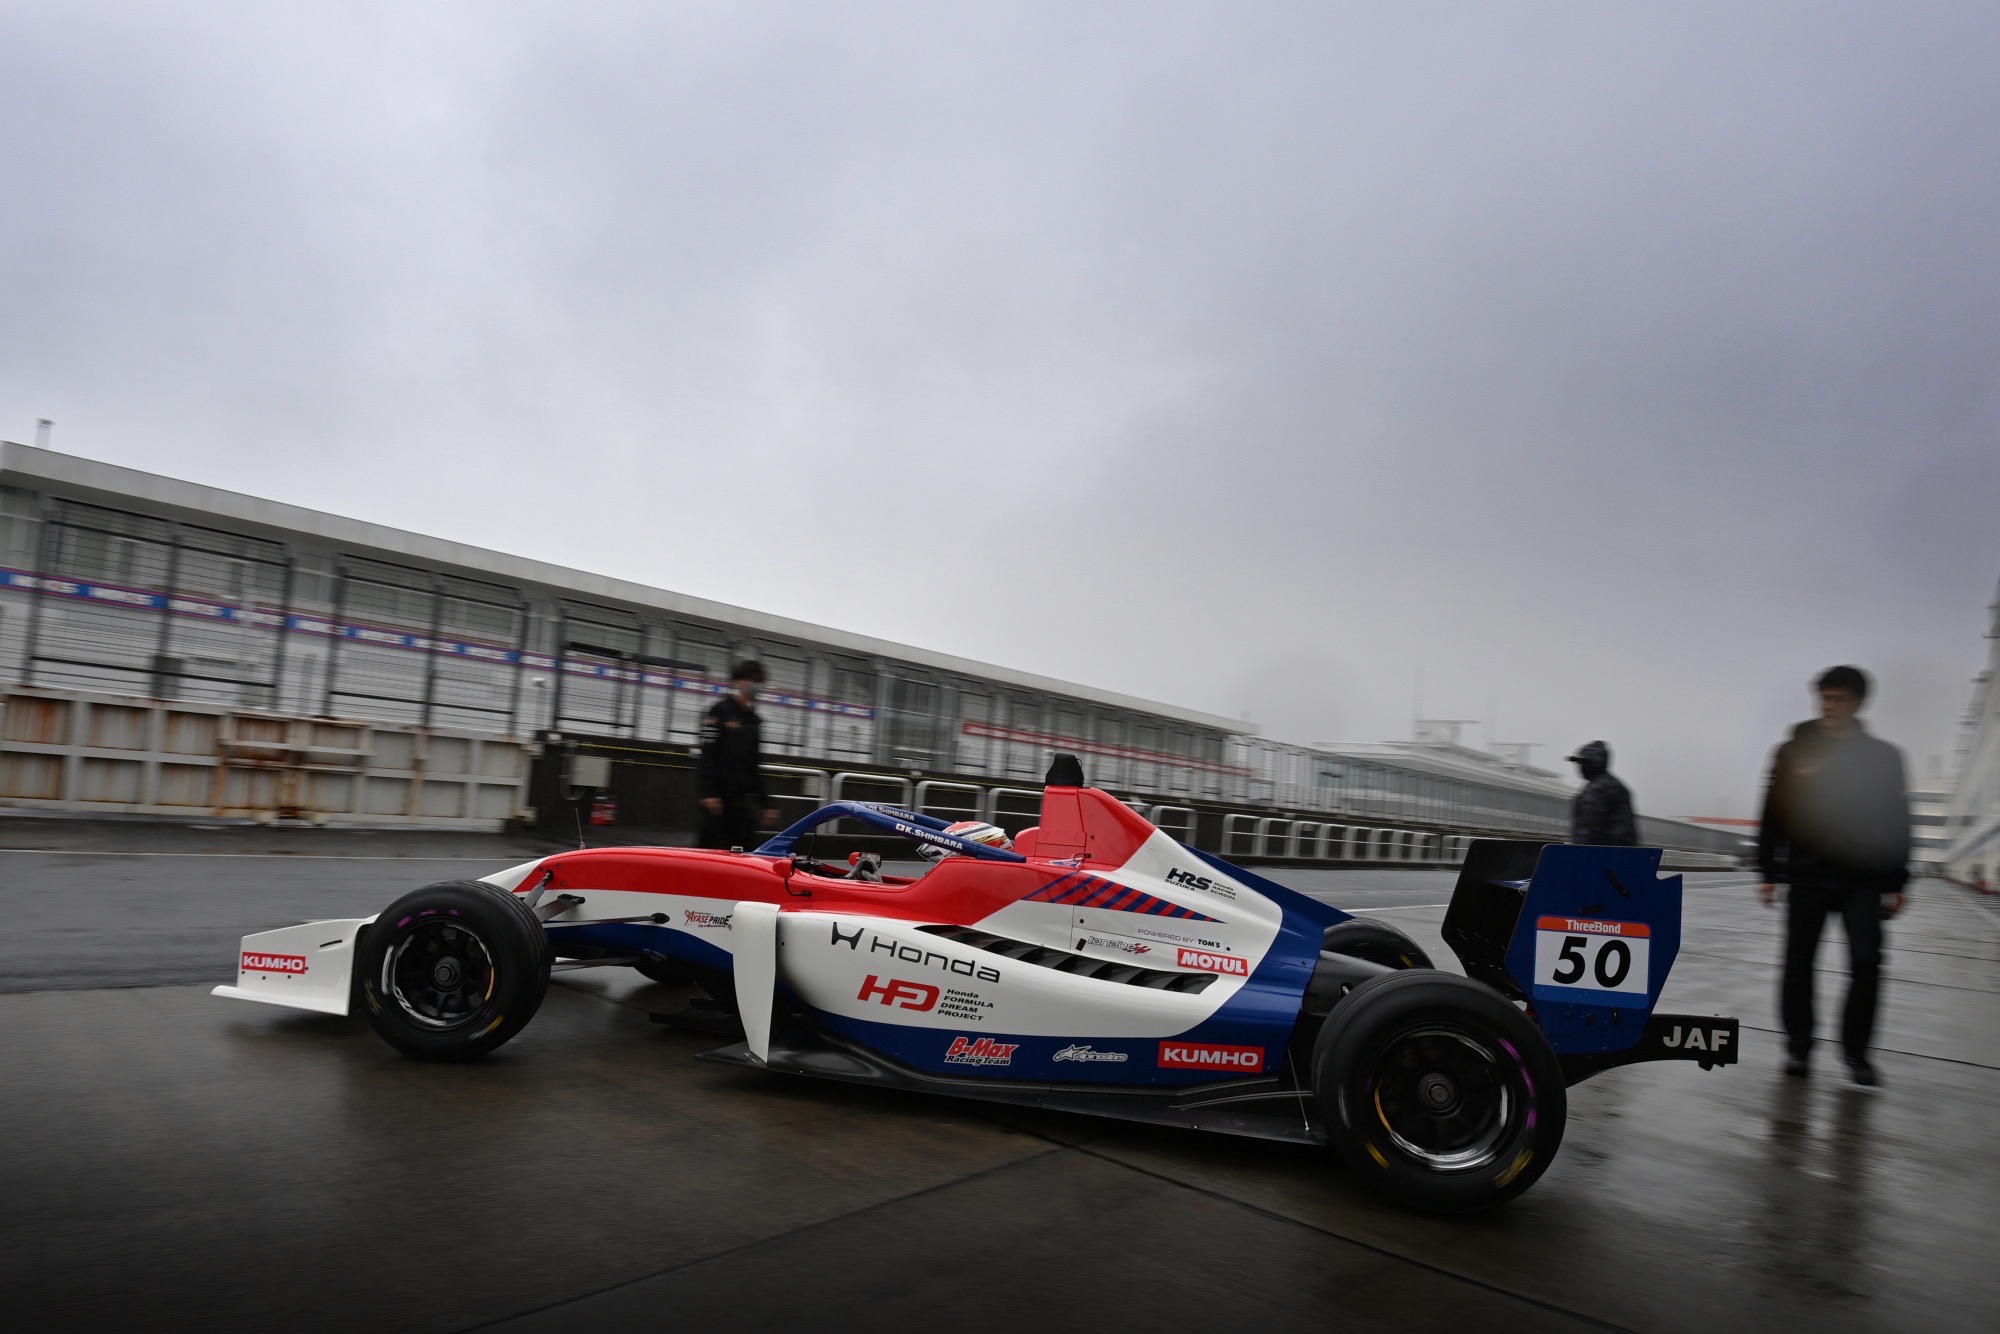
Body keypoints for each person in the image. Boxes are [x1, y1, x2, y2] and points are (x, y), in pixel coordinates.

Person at [1757, 665, 1910, 1086]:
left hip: (1863, 880)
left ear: (1858, 703)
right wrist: (1767, 870)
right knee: (1798, 966)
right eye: (1824, 697)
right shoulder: (1794, 750)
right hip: (1807, 876)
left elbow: (1897, 818)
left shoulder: (1883, 757)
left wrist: (1898, 881)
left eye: (1838, 699)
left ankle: (1856, 1055)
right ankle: (1799, 1049)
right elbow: (1774, 809)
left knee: (1866, 965)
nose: (1829, 706)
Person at [696, 660, 780, 851]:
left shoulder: (754, 721)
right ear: (738, 682)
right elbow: (707, 754)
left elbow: (754, 766)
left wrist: (768, 803)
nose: (755, 685)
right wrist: (709, 793)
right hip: (716, 801)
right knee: (708, 852)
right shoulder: (719, 711)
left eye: (758, 681)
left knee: (746, 849)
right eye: (750, 680)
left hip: (739, 800)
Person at [1567, 740, 1638, 846]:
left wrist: (1579, 853)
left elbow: (1588, 831)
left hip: (1599, 854)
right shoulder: (1618, 786)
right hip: (1622, 853)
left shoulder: (1595, 790)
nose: (1579, 767)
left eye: (1581, 763)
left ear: (1590, 764)